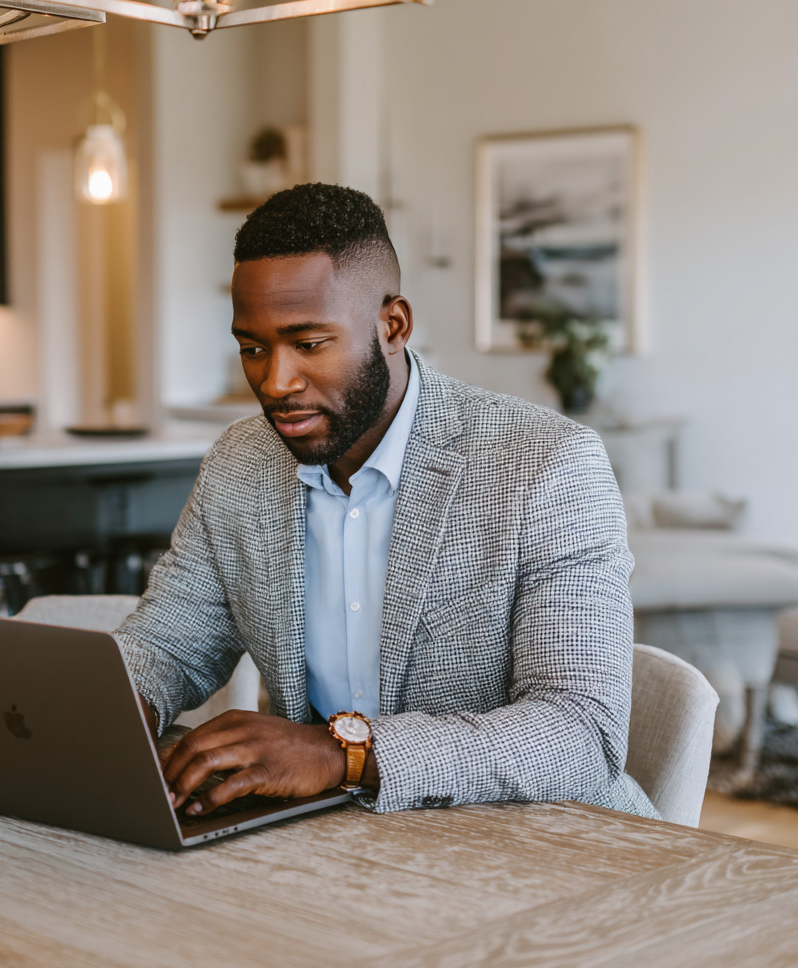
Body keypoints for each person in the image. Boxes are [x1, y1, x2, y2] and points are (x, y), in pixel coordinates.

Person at [115, 182, 657, 820]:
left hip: (541, 843)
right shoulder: (241, 463)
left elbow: (580, 734)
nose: (275, 381)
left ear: (392, 325)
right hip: (323, 840)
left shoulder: (547, 465)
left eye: (309, 344)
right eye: (253, 348)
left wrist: (345, 753)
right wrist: (108, 711)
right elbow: (170, 646)